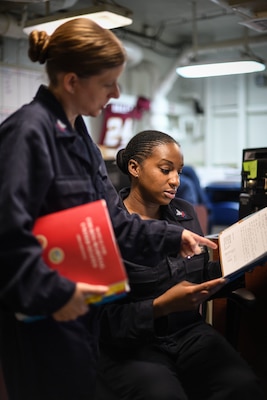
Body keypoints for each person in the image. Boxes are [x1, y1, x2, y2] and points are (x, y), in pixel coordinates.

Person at [0, 18, 217, 400]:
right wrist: (57, 292)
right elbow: (7, 234)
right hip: (44, 314)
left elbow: (114, 223)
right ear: (71, 81)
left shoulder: (81, 137)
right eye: (107, 83)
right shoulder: (27, 132)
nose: (116, 92)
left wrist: (174, 235)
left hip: (84, 313)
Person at [96, 130, 265, 400]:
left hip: (188, 333)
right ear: (134, 167)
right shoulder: (108, 228)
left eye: (179, 172)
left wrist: (236, 268)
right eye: (165, 170)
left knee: (243, 386)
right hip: (134, 342)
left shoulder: (184, 214)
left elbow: (195, 277)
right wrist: (160, 307)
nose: (175, 181)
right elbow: (103, 322)